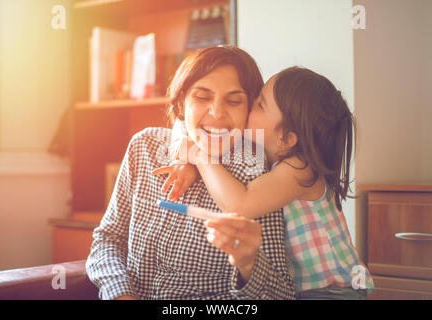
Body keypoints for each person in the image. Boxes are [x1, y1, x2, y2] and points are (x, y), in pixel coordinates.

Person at [85, 46, 296, 300]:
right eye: (202, 96)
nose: (217, 113)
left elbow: (281, 295)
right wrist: (120, 294)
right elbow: (107, 239)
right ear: (182, 102)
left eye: (233, 100)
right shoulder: (144, 147)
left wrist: (249, 264)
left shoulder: (256, 173)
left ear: (249, 110)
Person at [153, 66, 375, 300]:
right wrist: (185, 162)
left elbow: (240, 205)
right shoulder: (267, 154)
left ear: (287, 138)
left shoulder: (300, 169)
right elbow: (183, 124)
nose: (249, 104)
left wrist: (199, 157)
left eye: (259, 104)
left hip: (332, 291)